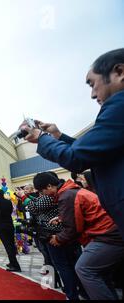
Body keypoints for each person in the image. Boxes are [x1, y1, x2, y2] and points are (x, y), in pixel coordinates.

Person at [21, 48, 124, 240]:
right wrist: (59, 136)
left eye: (93, 84)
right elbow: (95, 152)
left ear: (119, 72)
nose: (93, 94)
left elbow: (76, 158)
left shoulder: (119, 104)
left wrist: (41, 138)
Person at [34, 172, 124, 300]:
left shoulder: (66, 195)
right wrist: (61, 217)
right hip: (112, 231)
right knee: (100, 274)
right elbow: (80, 211)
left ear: (49, 186)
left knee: (84, 269)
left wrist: (57, 239)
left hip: (108, 235)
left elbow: (72, 229)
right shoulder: (71, 190)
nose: (44, 195)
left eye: (42, 192)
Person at [0, 189, 21, 272]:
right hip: (9, 224)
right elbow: (10, 211)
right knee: (11, 244)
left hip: (0, 226)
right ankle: (12, 262)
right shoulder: (8, 201)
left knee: (8, 246)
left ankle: (15, 265)